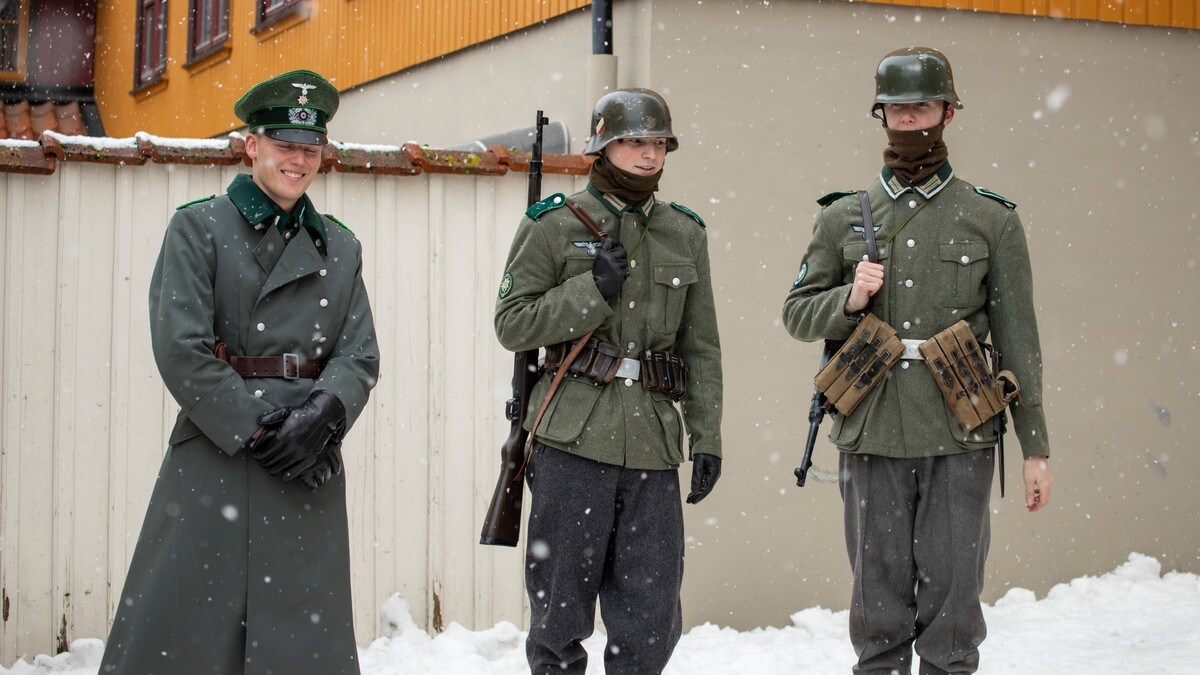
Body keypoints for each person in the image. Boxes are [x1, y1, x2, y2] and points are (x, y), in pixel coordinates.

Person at [781, 48, 1054, 674]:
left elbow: (1020, 340)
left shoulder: (989, 219)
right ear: (881, 115)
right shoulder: (842, 216)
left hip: (960, 429)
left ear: (948, 113)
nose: (909, 120)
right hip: (871, 425)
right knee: (877, 606)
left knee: (954, 609)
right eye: (897, 108)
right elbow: (796, 313)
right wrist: (849, 300)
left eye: (922, 107)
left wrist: (1035, 447)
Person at [100, 69, 379, 675]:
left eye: (310, 148)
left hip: (306, 459)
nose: (298, 160)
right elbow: (182, 349)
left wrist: (321, 416)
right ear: (252, 145)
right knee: (188, 630)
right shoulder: (199, 228)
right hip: (218, 449)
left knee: (302, 640)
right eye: (284, 145)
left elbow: (359, 355)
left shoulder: (341, 247)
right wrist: (259, 428)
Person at [494, 88, 723, 674]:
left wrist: (707, 436)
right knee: (559, 616)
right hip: (572, 440)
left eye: (658, 144)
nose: (649, 155)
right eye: (634, 142)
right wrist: (590, 289)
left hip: (653, 444)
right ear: (603, 146)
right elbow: (512, 324)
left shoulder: (684, 232)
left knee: (651, 619)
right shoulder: (552, 225)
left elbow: (700, 346)